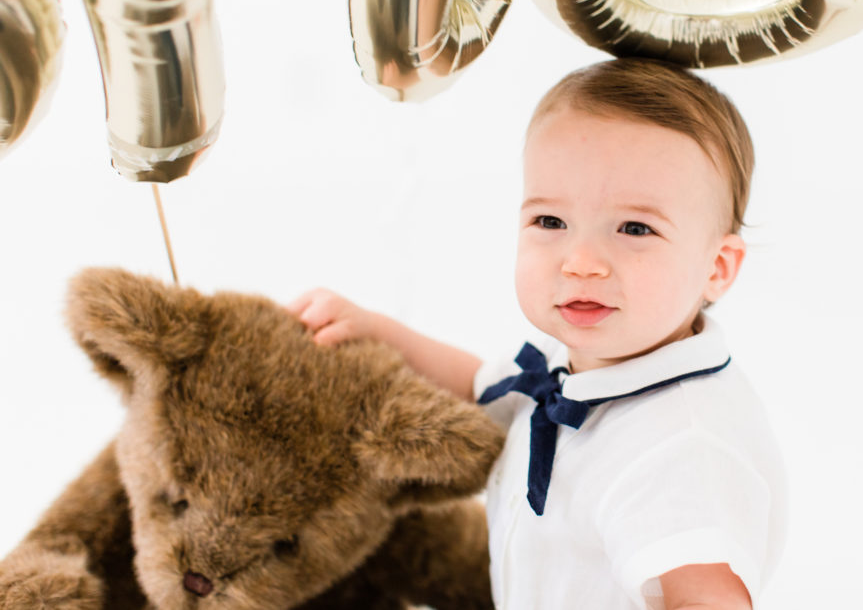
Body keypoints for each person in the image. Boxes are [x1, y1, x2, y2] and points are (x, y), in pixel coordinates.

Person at [287, 58, 786, 610]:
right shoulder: (572, 357)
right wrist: (378, 332)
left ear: (717, 266)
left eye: (635, 228)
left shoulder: (683, 449)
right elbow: (483, 387)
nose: (581, 261)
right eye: (550, 222)